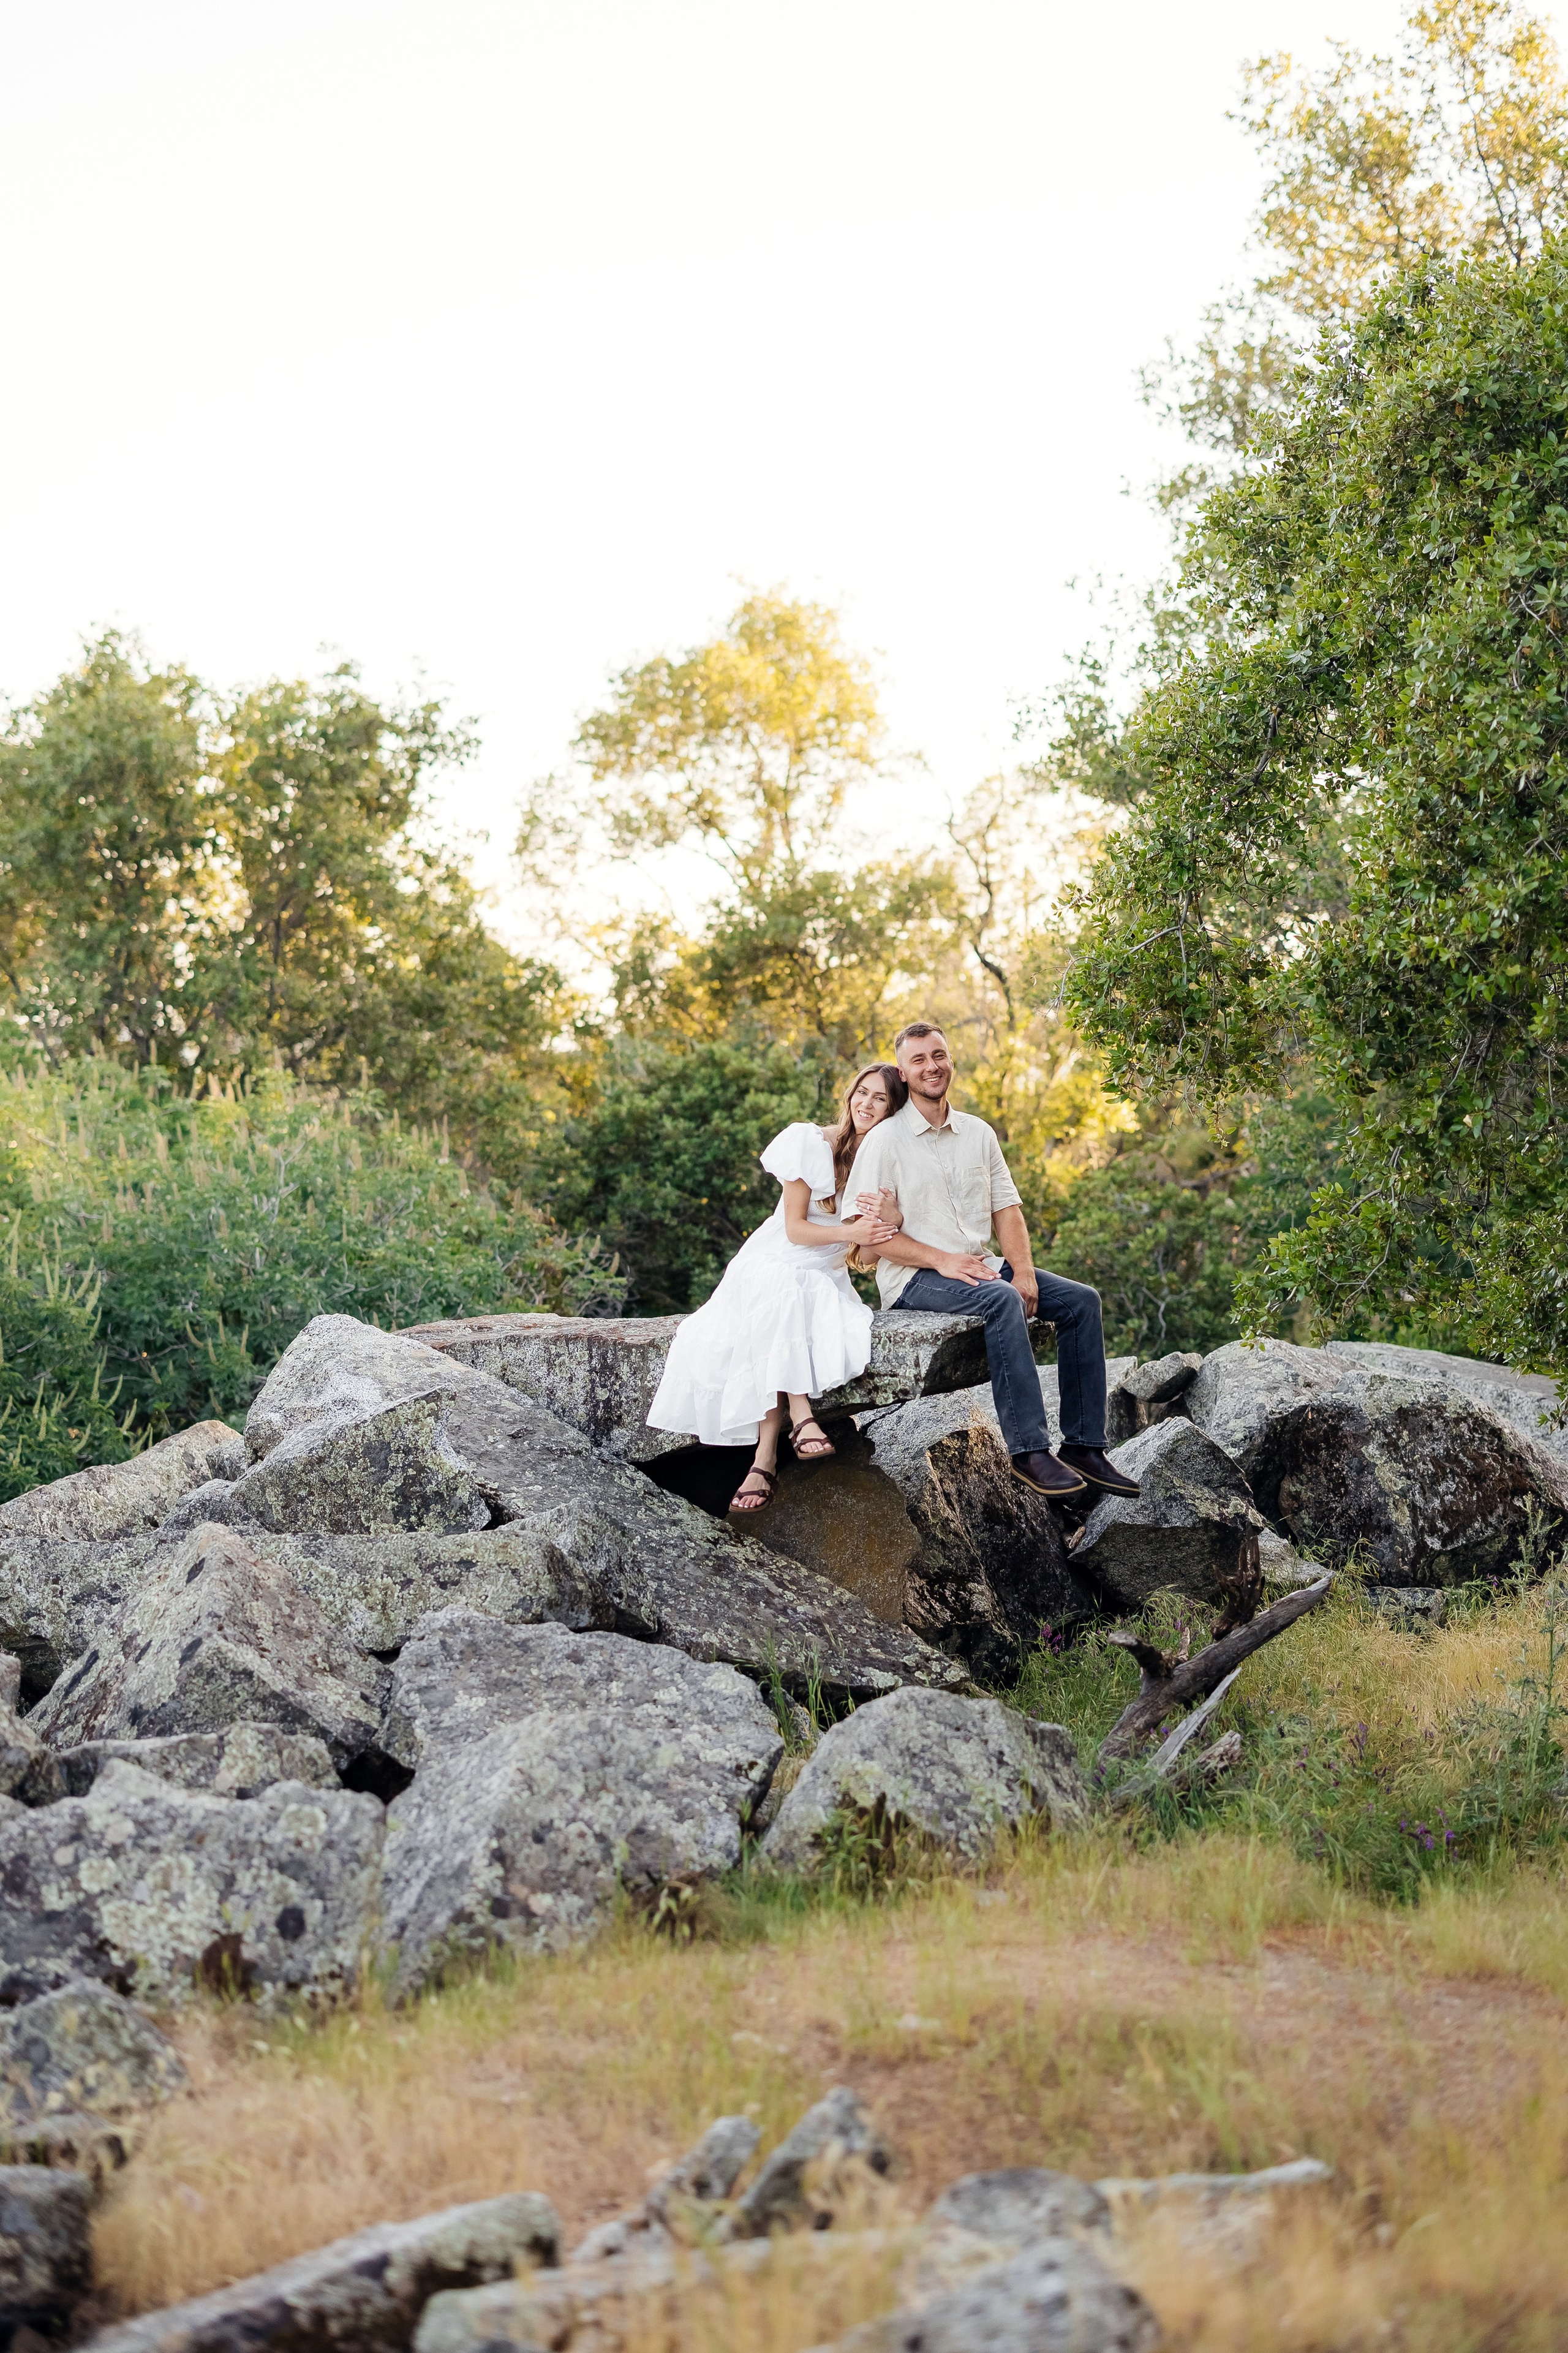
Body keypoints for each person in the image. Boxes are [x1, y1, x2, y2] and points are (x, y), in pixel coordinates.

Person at [844, 1022, 1139, 1500]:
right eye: (918, 1060)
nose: (931, 1066)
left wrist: (1023, 1271)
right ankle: (1029, 1452)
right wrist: (941, 1260)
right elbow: (868, 1235)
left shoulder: (978, 1133)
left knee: (1082, 1301)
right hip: (915, 1278)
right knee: (1001, 1300)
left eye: (938, 1055)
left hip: (980, 1265)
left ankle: (1084, 1447)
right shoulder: (885, 1142)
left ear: (951, 1060)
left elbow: (1007, 1209)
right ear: (904, 1071)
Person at [646, 1063, 909, 1514]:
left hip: (824, 1271)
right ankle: (801, 1418)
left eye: (880, 1098)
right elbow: (794, 1229)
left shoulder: (889, 1166)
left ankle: (764, 1458)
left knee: (788, 1302)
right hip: (775, 1256)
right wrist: (857, 1232)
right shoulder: (811, 1143)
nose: (866, 1104)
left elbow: (865, 1260)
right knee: (784, 1288)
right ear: (849, 1097)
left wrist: (891, 1221)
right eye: (861, 1093)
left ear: (893, 1109)